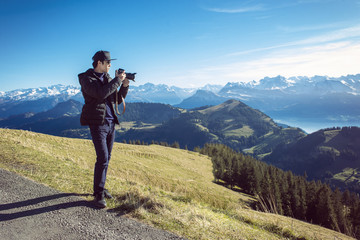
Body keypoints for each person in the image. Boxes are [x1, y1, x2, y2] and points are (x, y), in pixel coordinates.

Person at [78, 50, 130, 208]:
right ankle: (98, 194)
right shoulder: (86, 79)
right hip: (98, 124)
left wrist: (125, 86)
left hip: (110, 123)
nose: (110, 65)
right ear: (99, 63)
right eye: (108, 62)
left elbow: (116, 100)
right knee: (102, 158)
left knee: (107, 158)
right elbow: (100, 94)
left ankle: (101, 187)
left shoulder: (108, 78)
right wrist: (117, 80)